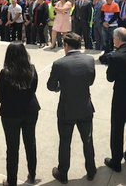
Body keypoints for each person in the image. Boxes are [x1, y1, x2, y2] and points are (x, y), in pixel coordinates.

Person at [47, 33, 98, 182]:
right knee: (88, 141)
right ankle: (91, 170)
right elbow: (91, 81)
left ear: (66, 46)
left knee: (65, 142)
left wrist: (60, 87)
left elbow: (51, 86)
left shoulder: (59, 64)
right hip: (85, 107)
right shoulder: (89, 60)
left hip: (66, 109)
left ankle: (63, 173)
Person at [0, 42, 40, 186]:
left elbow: (0, 96)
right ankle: (32, 174)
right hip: (29, 110)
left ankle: (11, 181)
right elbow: (33, 89)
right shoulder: (32, 70)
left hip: (10, 113)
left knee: (12, 148)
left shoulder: (5, 72)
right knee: (30, 143)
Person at [99, 27, 126, 172]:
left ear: (117, 39)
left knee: (117, 128)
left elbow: (110, 78)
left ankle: (116, 160)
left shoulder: (116, 57)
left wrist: (112, 56)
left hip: (120, 95)